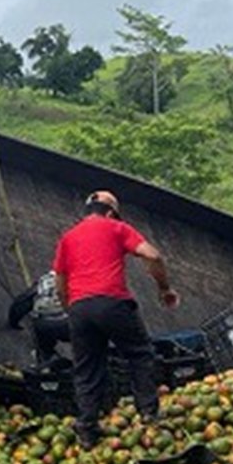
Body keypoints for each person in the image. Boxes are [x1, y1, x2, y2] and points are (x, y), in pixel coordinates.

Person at [52, 190, 179, 450]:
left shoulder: (68, 238)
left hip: (79, 307)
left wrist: (72, 309)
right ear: (110, 212)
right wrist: (164, 288)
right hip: (112, 302)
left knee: (87, 369)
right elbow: (152, 255)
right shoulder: (116, 227)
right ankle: (149, 414)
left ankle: (87, 429)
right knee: (140, 354)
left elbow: (60, 281)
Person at [8, 270, 71, 367]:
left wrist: (13, 321)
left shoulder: (47, 278)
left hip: (45, 322)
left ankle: (46, 357)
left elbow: (22, 301)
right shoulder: (91, 280)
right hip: (71, 324)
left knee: (42, 335)